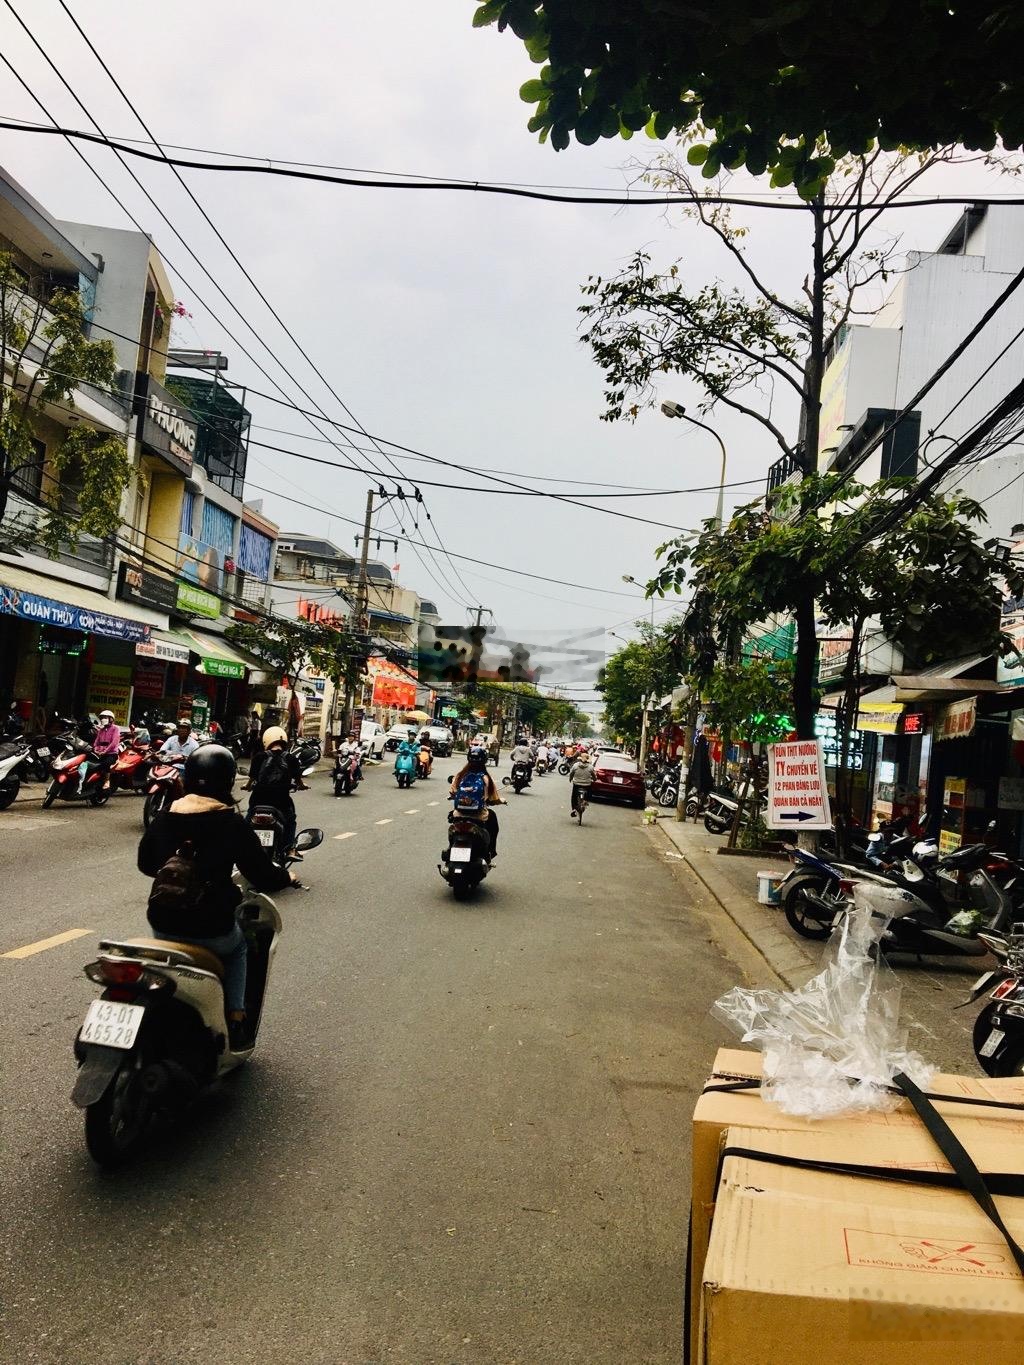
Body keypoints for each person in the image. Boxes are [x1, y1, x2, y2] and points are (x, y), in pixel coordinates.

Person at [138, 744, 295, 1048]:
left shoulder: (167, 815)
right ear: (228, 781)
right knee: (239, 950)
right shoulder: (231, 822)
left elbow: (146, 864)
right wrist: (287, 876)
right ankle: (236, 1018)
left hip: (162, 923)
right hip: (212, 928)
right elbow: (263, 874)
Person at [245, 725, 308, 852]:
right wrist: (302, 786)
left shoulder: (259, 757)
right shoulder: (291, 758)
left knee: (248, 820)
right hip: (281, 802)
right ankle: (290, 849)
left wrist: (247, 786)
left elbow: (251, 779)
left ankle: (240, 845)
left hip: (258, 800)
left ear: (266, 740)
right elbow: (298, 780)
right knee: (290, 821)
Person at [448, 745, 506, 858]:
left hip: (459, 816)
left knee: (452, 824)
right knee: (493, 822)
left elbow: (452, 792)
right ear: (485, 760)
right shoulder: (486, 778)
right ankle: (490, 852)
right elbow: (493, 799)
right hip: (479, 817)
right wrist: (501, 801)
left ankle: (450, 849)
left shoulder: (460, 775)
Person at [88, 709, 122, 792]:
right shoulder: (101, 730)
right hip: (100, 753)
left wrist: (105, 751)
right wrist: (95, 749)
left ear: (111, 719)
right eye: (102, 718)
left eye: (105, 717)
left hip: (111, 754)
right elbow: (96, 741)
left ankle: (107, 781)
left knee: (106, 763)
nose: (103, 719)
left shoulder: (115, 729)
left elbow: (114, 743)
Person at [568, 752, 597, 817]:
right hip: (587, 785)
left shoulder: (575, 765)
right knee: (589, 794)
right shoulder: (590, 767)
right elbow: (594, 776)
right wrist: (594, 779)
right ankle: (585, 801)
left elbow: (571, 773)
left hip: (577, 784)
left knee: (574, 796)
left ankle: (573, 809)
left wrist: (570, 779)